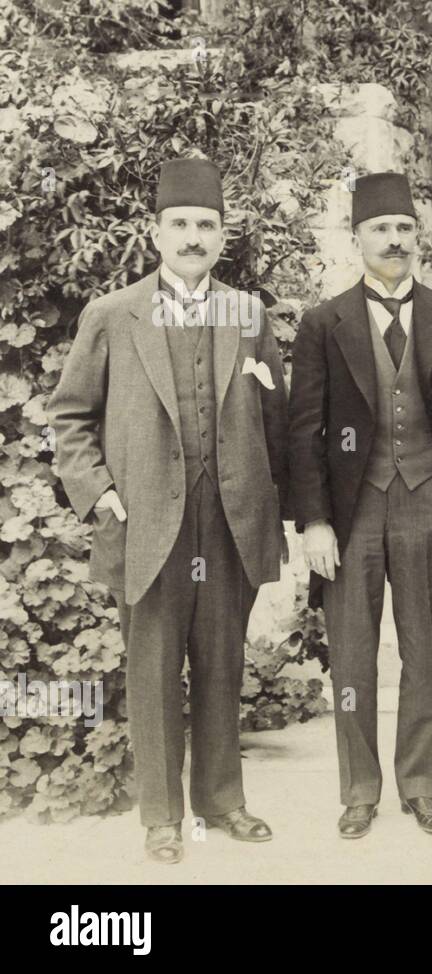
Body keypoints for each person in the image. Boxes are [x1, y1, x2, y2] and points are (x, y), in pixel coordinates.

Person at [49, 158, 290, 864]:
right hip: (145, 521)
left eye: (205, 225)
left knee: (221, 663)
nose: (193, 237)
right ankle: (160, 813)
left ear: (223, 237)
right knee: (152, 670)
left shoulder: (248, 314)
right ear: (156, 233)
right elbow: (69, 415)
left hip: (228, 521)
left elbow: (275, 417)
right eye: (180, 224)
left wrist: (270, 506)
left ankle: (222, 799)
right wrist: (100, 494)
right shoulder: (112, 314)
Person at [288, 172, 432, 840]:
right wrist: (315, 520)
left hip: (426, 501)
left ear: (418, 238)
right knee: (352, 657)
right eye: (382, 228)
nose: (395, 239)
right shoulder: (325, 322)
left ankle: (421, 785)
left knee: (420, 648)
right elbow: (304, 430)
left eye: (405, 228)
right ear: (357, 239)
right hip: (353, 511)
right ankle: (359, 788)